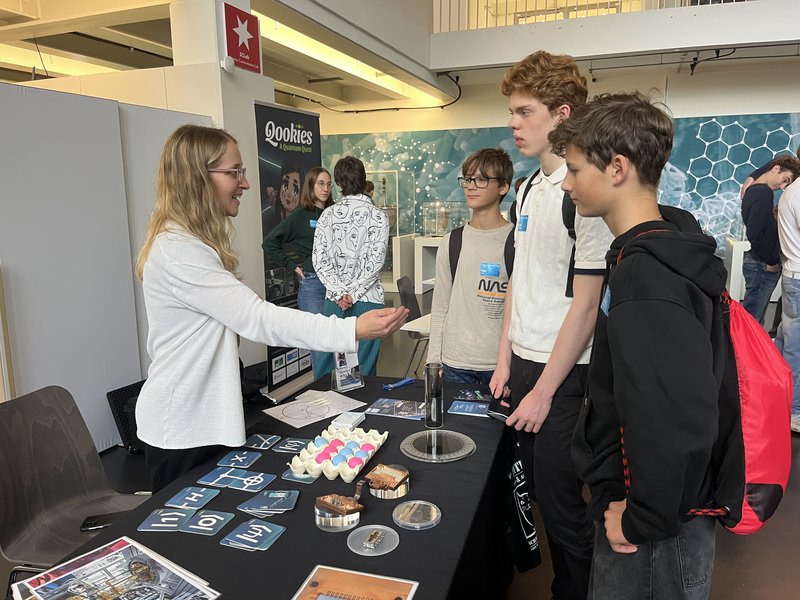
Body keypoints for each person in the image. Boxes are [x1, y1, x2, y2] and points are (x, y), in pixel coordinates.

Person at [134, 126, 408, 492]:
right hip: (183, 429)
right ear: (197, 176)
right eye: (234, 172)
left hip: (200, 421)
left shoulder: (190, 245)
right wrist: (352, 328)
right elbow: (258, 318)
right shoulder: (179, 251)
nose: (245, 184)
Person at [549, 91, 727, 600]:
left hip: (650, 529)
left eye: (574, 169)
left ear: (617, 167)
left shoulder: (648, 276)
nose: (567, 184)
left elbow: (678, 412)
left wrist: (641, 519)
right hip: (651, 507)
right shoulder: (662, 244)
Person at [489, 51, 613, 600]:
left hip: (564, 374)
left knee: (563, 506)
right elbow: (519, 280)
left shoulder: (583, 191)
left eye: (525, 112)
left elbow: (586, 307)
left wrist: (543, 391)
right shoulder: (526, 189)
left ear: (562, 114)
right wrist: (504, 359)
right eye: (512, 112)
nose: (513, 123)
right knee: (534, 490)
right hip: (522, 361)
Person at [426, 148, 514, 384]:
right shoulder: (452, 241)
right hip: (455, 362)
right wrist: (433, 360)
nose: (471, 186)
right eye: (467, 179)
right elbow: (440, 306)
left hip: (500, 364)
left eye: (481, 179)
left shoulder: (516, 241)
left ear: (503, 187)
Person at [312, 156, 390, 379]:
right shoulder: (379, 216)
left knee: (328, 367)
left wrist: (340, 293)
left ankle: (324, 402)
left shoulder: (327, 215)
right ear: (363, 179)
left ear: (338, 182)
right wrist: (353, 294)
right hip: (368, 301)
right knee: (364, 369)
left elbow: (319, 260)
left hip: (335, 302)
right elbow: (376, 262)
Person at [263, 167, 334, 367]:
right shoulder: (300, 215)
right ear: (310, 185)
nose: (326, 188)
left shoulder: (335, 213)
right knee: (319, 343)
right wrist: (292, 265)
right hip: (314, 285)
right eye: (321, 184)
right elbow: (269, 243)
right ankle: (324, 385)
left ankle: (342, 384)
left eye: (329, 184)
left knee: (339, 341)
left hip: (338, 285)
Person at [740, 155, 800, 324]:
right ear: (775, 169)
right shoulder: (763, 192)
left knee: (754, 318)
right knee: (752, 321)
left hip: (759, 262)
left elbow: (758, 226)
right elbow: (755, 233)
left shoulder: (754, 190)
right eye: (784, 180)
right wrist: (771, 261)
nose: (782, 187)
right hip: (762, 264)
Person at [774, 170, 800, 433]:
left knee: (785, 338)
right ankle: (793, 411)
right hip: (799, 277)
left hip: (792, 273)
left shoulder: (791, 191)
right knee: (795, 346)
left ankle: (777, 397)